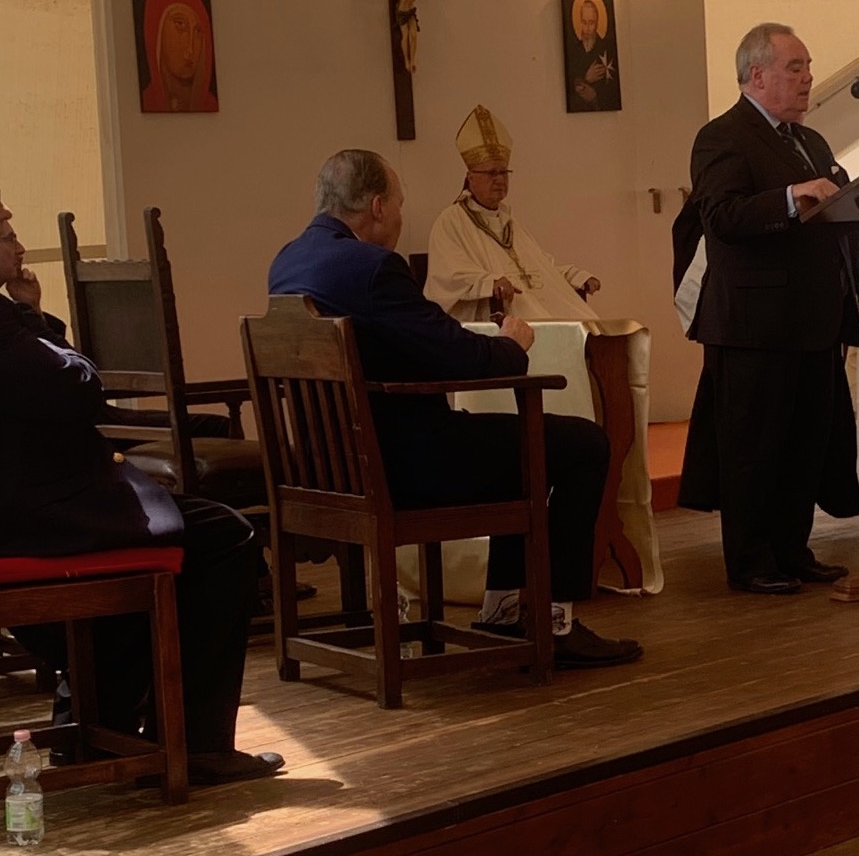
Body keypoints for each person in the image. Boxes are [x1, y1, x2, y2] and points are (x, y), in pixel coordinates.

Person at [267, 150, 641, 667]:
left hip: (333, 467)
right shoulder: (374, 268)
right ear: (377, 206)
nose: (400, 217)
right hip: (404, 467)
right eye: (398, 205)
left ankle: (505, 613)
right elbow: (461, 355)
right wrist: (512, 344)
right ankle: (555, 621)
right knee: (582, 443)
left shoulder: (287, 262)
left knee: (516, 452)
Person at [0, 194, 279, 786]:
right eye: (5, 233)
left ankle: (97, 722)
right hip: (42, 513)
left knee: (186, 522)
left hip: (32, 499)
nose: (19, 246)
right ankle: (197, 742)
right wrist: (33, 317)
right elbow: (81, 385)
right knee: (226, 535)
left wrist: (29, 312)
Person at [674, 22, 859, 596]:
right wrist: (791, 196)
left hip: (812, 317)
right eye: (795, 67)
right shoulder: (722, 137)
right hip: (753, 323)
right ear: (756, 74)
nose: (808, 78)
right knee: (753, 446)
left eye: (807, 67)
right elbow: (721, 216)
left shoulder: (808, 140)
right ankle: (752, 560)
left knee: (805, 441)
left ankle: (792, 549)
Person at [425, 105, 602, 322]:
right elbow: (448, 277)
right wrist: (490, 283)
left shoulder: (508, 221)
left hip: (536, 305)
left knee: (593, 328)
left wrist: (573, 275)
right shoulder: (452, 220)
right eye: (492, 173)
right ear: (471, 178)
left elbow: (540, 266)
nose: (499, 179)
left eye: (503, 172)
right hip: (498, 315)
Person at [140, 0, 217, 113]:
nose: (190, 48)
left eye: (198, 32)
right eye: (180, 25)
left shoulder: (211, 106)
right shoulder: (140, 105)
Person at [369, 0, 428, 74]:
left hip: (410, 12)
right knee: (405, 36)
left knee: (414, 36)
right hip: (402, 13)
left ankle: (413, 61)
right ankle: (406, 61)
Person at [565, 0, 621, 112]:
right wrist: (586, 79)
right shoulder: (574, 51)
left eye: (591, 23)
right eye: (584, 22)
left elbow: (613, 91)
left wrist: (595, 96)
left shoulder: (607, 48)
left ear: (597, 23)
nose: (588, 28)